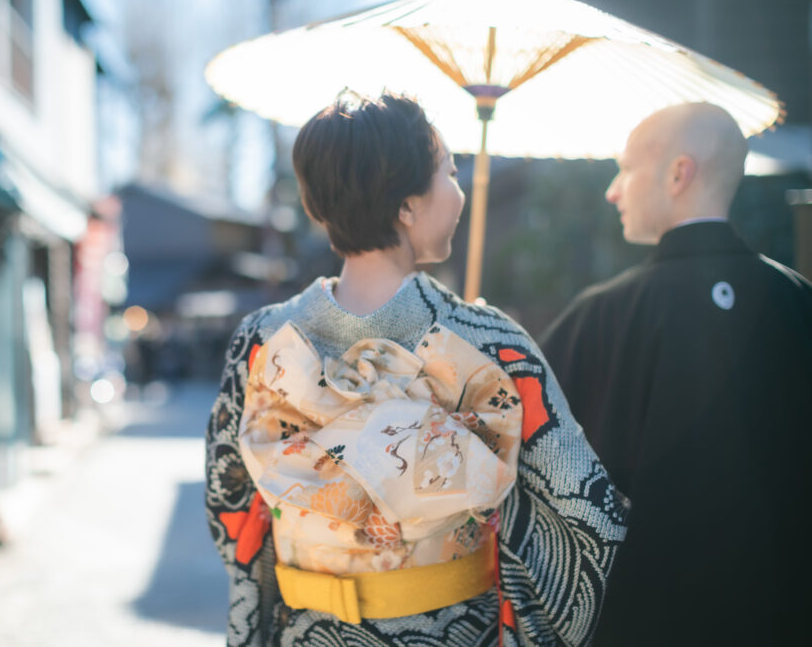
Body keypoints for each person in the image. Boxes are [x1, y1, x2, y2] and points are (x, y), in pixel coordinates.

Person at [205, 93, 628, 646]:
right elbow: (585, 509)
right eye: (450, 173)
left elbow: (230, 502)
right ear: (407, 206)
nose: (459, 194)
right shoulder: (488, 341)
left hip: (305, 631)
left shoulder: (261, 341)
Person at [539, 103, 812, 645]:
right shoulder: (797, 302)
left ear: (679, 173)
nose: (613, 190)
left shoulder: (603, 314)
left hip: (641, 622)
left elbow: (531, 457)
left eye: (626, 169)